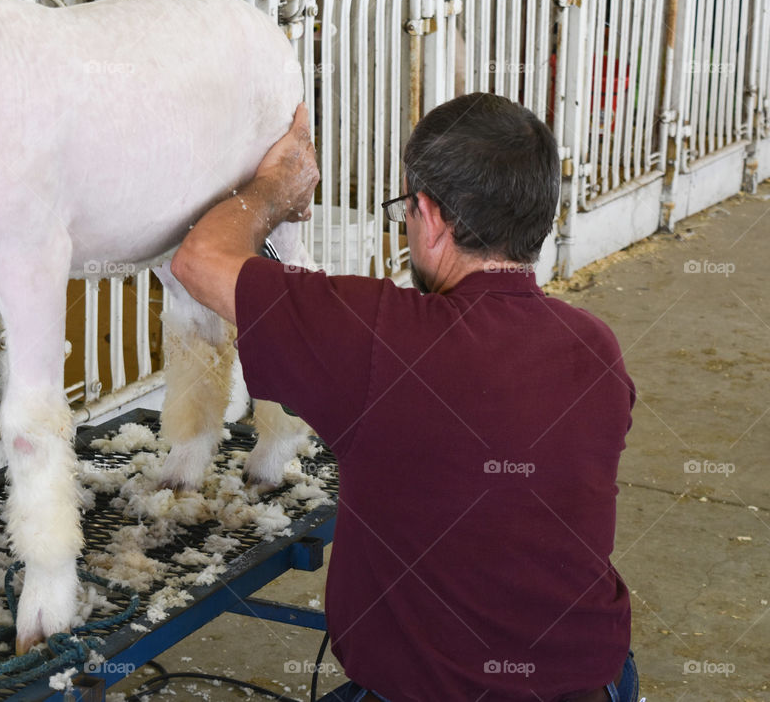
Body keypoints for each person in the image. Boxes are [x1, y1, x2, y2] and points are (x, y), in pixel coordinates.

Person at [172, 94, 640, 701]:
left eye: (406, 213)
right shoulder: (596, 347)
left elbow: (198, 260)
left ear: (429, 214)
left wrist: (275, 188)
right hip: (596, 683)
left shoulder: (381, 336)